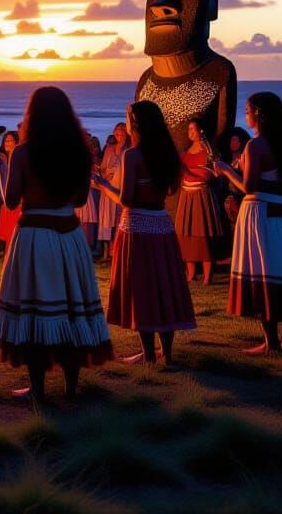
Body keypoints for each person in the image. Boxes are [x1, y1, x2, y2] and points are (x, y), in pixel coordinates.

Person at [0, 87, 112, 403]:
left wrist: (2, 171)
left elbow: (11, 200)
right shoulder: (79, 153)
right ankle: (71, 388)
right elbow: (81, 199)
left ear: (33, 115)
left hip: (33, 236)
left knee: (35, 312)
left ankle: (38, 390)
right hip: (69, 235)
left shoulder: (22, 152)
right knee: (69, 310)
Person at [216, 92, 282, 353]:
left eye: (249, 110)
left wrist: (227, 170)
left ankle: (271, 342)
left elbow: (249, 186)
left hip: (260, 211)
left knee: (263, 272)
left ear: (259, 113)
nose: (246, 114)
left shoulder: (257, 145)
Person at [94, 101, 196, 365]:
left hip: (137, 228)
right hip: (161, 225)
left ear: (135, 123)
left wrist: (102, 185)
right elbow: (171, 190)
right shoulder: (167, 153)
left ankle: (149, 354)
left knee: (142, 289)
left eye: (127, 118)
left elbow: (127, 199)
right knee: (163, 286)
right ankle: (168, 354)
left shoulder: (133, 155)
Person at [176, 119, 228, 284]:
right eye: (189, 130)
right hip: (187, 195)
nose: (190, 133)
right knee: (187, 234)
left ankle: (207, 276)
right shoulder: (185, 153)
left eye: (193, 129)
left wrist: (192, 173)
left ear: (201, 131)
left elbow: (211, 174)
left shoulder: (209, 151)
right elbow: (181, 174)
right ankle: (190, 273)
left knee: (203, 234)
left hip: (202, 195)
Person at [97, 123, 128, 259]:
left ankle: (118, 250)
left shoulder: (128, 150)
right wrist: (106, 174)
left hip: (120, 189)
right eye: (117, 132)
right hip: (108, 189)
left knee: (119, 220)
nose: (119, 135)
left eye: (122, 132)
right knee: (106, 221)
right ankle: (106, 252)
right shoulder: (109, 149)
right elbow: (102, 168)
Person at [0, 131, 21, 250]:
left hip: (18, 196)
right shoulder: (1, 157)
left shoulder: (20, 158)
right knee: (8, 229)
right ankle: (8, 251)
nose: (8, 143)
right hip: (5, 195)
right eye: (6, 140)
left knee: (16, 226)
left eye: (10, 140)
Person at [75, 134, 101, 251]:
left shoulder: (89, 158)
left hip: (88, 191)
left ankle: (87, 246)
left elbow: (94, 174)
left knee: (87, 218)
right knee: (81, 217)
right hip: (79, 190)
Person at [221, 126, 250, 226]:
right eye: (231, 141)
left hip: (237, 200)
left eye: (235, 141)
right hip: (226, 199)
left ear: (241, 143)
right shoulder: (229, 162)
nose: (232, 144)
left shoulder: (243, 161)